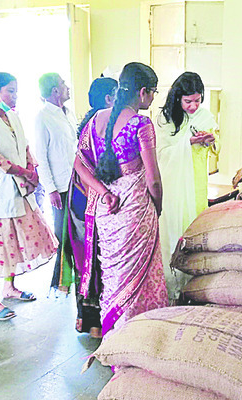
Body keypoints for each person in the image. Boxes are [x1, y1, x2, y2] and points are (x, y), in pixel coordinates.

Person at [73, 62, 168, 336]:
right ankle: (140, 335)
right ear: (142, 92)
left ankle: (115, 335)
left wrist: (103, 193)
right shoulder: (141, 123)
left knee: (114, 277)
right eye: (153, 92)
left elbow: (79, 164)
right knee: (141, 278)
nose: (153, 98)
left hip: (107, 209)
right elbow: (153, 179)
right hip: (135, 208)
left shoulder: (96, 119)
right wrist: (157, 206)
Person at [0, 72, 58, 321]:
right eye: (10, 91)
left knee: (14, 244)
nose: (15, 96)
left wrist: (32, 172)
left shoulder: (13, 117)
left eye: (16, 91)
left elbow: (26, 147)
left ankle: (9, 288)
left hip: (21, 189)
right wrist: (25, 173)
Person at [54, 77, 117, 336]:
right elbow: (87, 165)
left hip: (83, 196)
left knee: (87, 258)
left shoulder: (89, 121)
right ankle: (95, 322)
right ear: (109, 99)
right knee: (95, 257)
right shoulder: (104, 124)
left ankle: (88, 320)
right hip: (91, 197)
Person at [156, 72, 219, 302]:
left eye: (197, 100)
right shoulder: (164, 119)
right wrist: (187, 143)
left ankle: (192, 286)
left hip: (196, 184)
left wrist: (211, 141)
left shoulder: (205, 116)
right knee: (173, 230)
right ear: (177, 98)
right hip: (172, 187)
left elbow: (216, 146)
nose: (193, 106)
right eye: (188, 101)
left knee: (194, 228)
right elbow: (160, 154)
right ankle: (172, 286)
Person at [33, 73, 78, 294]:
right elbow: (41, 157)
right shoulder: (43, 117)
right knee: (63, 234)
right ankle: (62, 281)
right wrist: (50, 189)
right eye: (63, 84)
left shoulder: (68, 113)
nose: (67, 87)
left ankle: (75, 276)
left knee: (77, 231)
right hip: (59, 186)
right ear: (55, 91)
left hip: (77, 181)